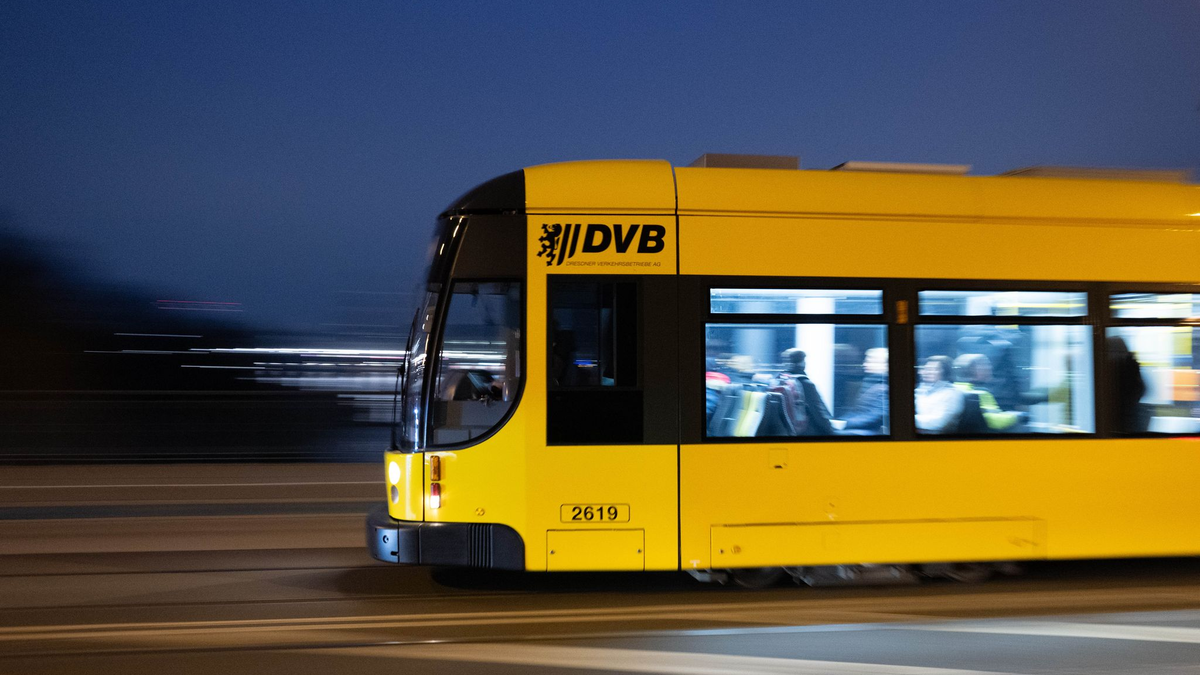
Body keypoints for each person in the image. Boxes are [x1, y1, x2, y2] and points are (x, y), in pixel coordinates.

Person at [953, 353, 1022, 431]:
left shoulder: (954, 389)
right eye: (985, 364)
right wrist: (1017, 416)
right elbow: (994, 421)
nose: (990, 367)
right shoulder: (980, 394)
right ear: (972, 369)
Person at [780, 348, 835, 436]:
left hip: (786, 432)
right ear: (802, 363)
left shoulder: (778, 381)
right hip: (806, 433)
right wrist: (833, 433)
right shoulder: (805, 384)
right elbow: (819, 414)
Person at [839, 348, 889, 434]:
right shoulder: (870, 382)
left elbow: (876, 416)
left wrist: (845, 423)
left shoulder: (883, 387)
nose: (864, 364)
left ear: (884, 365)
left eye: (870, 361)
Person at [1108, 335, 1149, 433]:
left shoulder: (1117, 367)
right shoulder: (1131, 364)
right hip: (1132, 418)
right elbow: (1142, 389)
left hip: (1124, 420)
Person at [915, 355, 965, 434]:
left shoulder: (952, 393)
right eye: (925, 369)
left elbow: (940, 422)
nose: (925, 372)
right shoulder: (922, 390)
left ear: (945, 372)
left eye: (932, 369)